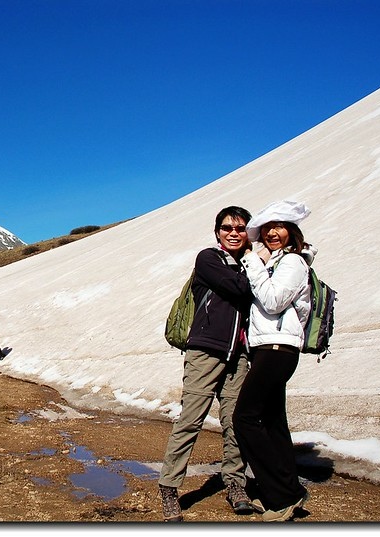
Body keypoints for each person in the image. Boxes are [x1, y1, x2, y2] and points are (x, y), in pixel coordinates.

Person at [158, 206, 257, 522]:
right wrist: (255, 273)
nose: (233, 232)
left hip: (238, 355)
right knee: (191, 419)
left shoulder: (248, 265)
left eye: (240, 228)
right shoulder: (208, 259)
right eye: (227, 227)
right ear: (217, 232)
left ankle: (235, 485)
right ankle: (170, 487)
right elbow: (240, 289)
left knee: (235, 421)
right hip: (205, 351)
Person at [233, 200, 315, 522]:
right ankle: (289, 488)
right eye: (267, 230)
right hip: (270, 347)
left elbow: (272, 301)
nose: (272, 234)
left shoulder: (293, 262)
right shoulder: (276, 263)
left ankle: (281, 497)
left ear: (292, 231)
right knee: (273, 421)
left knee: (245, 418)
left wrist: (252, 261)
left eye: (278, 228)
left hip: (277, 348)